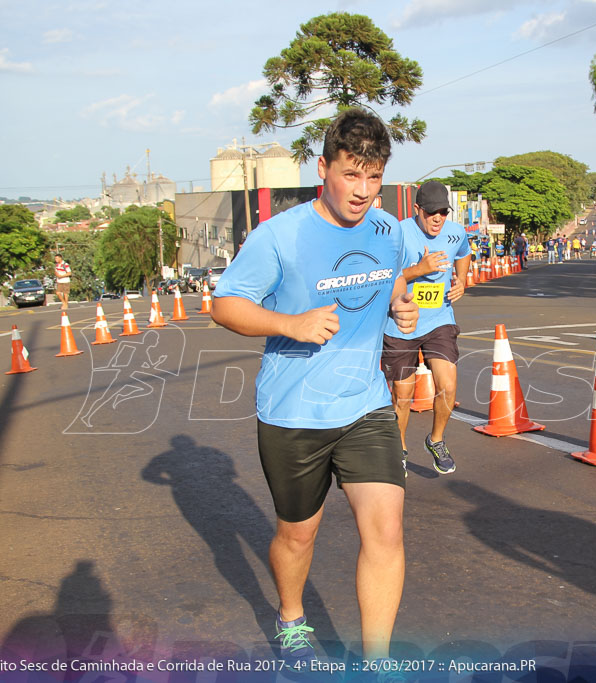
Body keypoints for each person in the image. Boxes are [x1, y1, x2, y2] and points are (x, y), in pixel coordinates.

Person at [211, 108, 419, 667]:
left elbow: (392, 271)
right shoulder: (279, 235)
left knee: (386, 528)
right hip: (293, 412)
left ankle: (378, 663)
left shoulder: (387, 228)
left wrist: (398, 301)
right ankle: (291, 614)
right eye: (352, 174)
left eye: (373, 176)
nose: (362, 190)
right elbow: (224, 304)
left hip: (365, 404)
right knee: (298, 538)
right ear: (323, 168)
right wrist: (290, 323)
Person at [382, 180, 471, 476]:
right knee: (402, 398)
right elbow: (385, 277)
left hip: (439, 319)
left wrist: (461, 281)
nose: (438, 219)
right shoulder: (398, 234)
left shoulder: (455, 231)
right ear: (417, 209)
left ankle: (436, 440)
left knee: (448, 385)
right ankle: (400, 450)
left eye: (443, 212)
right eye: (431, 212)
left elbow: (463, 252)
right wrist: (420, 269)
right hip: (401, 324)